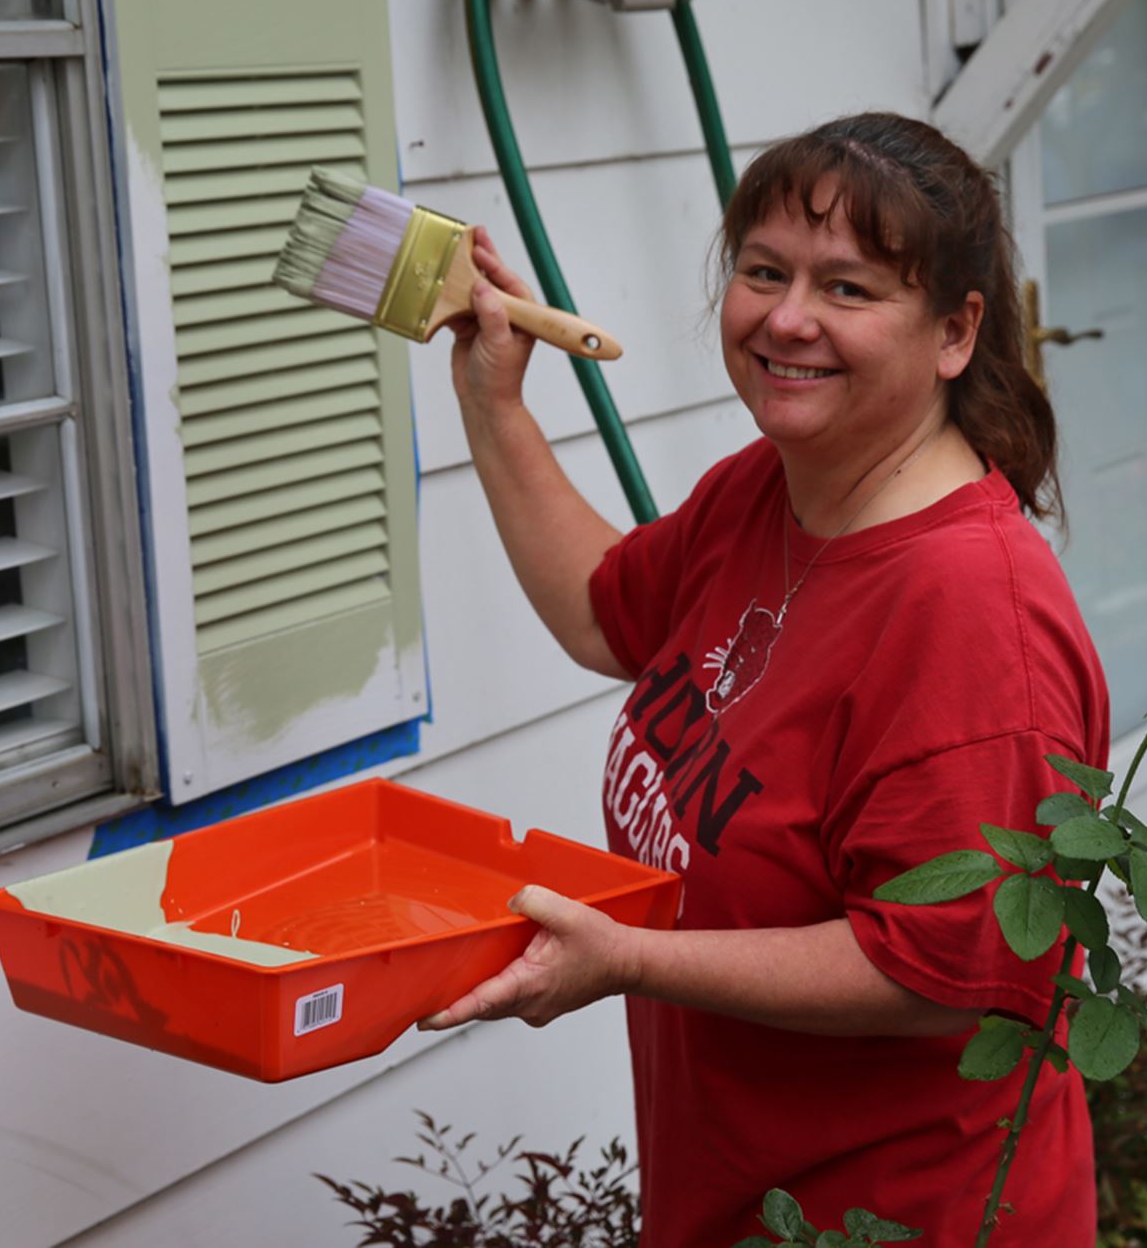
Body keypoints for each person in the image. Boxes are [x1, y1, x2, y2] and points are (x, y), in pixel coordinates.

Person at [419, 113, 1108, 1246]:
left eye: (847, 288)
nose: (787, 318)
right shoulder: (769, 489)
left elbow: (944, 971)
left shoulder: (970, 616)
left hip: (898, 1221)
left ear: (954, 332)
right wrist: (494, 400)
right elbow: (607, 615)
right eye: (763, 271)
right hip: (744, 1197)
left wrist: (628, 959)